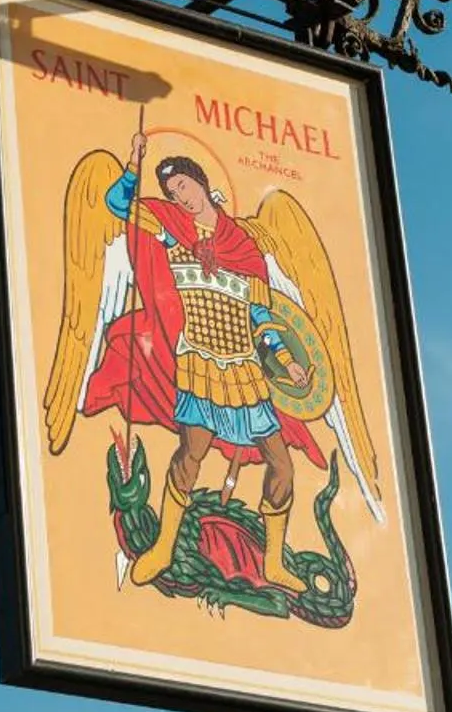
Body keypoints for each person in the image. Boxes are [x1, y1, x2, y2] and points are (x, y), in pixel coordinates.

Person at [93, 131, 315, 592]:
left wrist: (289, 363)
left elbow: (262, 319)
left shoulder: (244, 249)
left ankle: (274, 560)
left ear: (201, 182)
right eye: (173, 194)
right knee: (190, 454)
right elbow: (118, 205)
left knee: (283, 466)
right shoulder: (172, 228)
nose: (181, 199)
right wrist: (133, 166)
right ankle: (164, 547)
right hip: (199, 362)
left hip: (244, 372)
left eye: (185, 189)